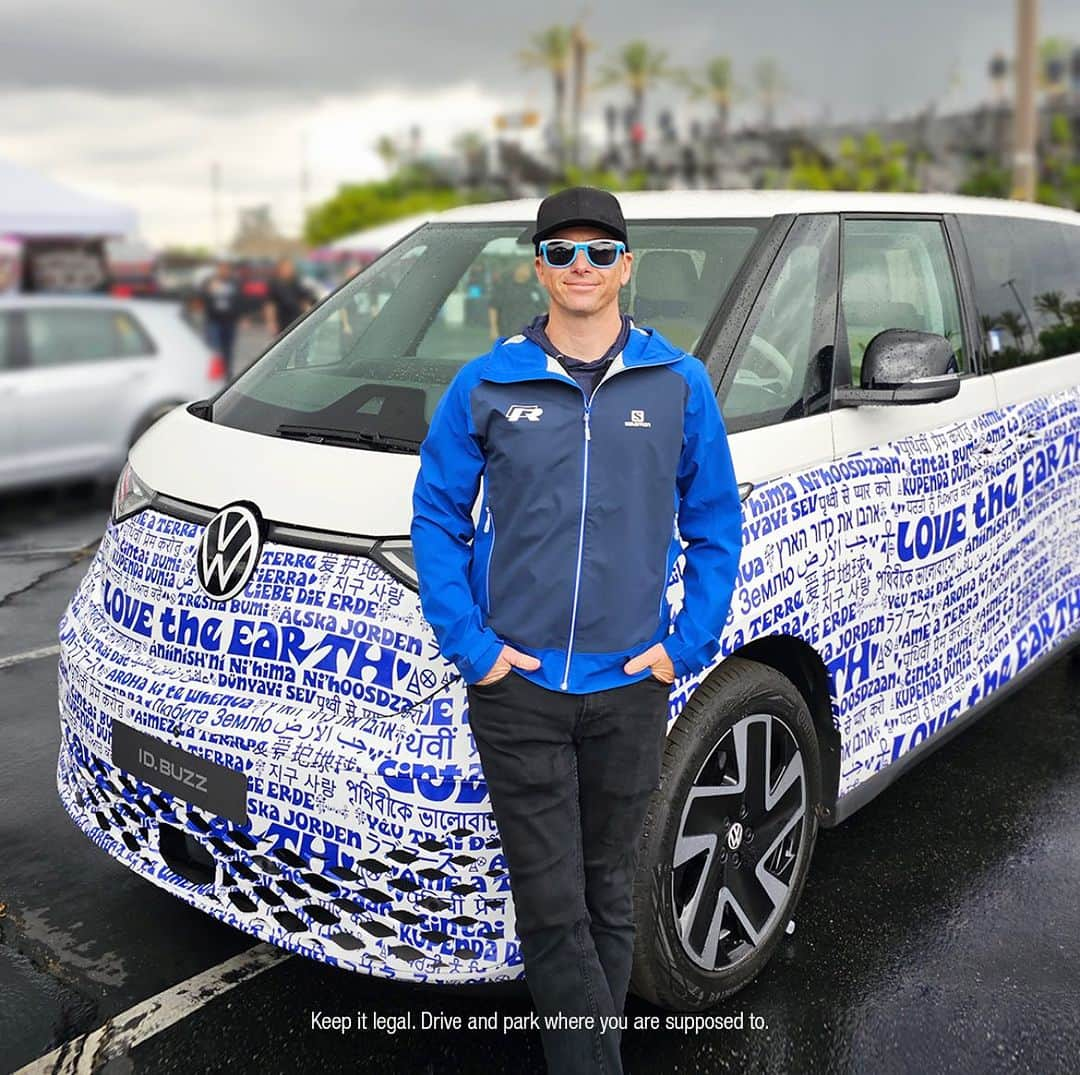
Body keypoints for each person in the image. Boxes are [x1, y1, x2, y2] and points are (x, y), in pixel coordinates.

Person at [411, 187, 742, 1075]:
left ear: (628, 267)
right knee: (552, 906)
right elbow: (437, 516)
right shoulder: (487, 382)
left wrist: (685, 645)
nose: (582, 268)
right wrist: (474, 650)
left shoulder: (680, 384)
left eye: (600, 252)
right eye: (562, 252)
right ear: (539, 268)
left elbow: (715, 523)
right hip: (517, 692)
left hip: (630, 686)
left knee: (608, 895)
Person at [196, 259, 243, 377]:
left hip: (229, 321)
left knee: (228, 349)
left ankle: (227, 374)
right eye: (222, 268)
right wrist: (208, 291)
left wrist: (240, 316)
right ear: (218, 270)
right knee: (215, 349)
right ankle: (215, 374)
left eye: (227, 268)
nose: (224, 271)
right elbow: (200, 298)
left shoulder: (234, 282)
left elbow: (239, 300)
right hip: (214, 321)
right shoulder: (209, 282)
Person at [488, 256, 546, 339]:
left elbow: (542, 310)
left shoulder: (533, 289)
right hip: (507, 333)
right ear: (517, 269)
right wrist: (493, 328)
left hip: (529, 335)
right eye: (525, 268)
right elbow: (493, 308)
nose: (528, 271)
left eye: (529, 269)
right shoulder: (503, 287)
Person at [263, 256, 314, 336]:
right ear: (279, 269)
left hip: (298, 320)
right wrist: (271, 322)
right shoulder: (274, 285)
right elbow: (270, 305)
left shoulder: (297, 283)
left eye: (290, 268)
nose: (288, 270)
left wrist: (309, 316)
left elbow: (304, 301)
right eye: (285, 268)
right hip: (282, 322)